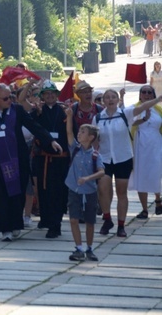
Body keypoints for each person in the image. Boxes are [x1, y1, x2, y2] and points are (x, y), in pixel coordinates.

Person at [0, 84, 62, 241]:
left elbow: (34, 126)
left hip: (18, 160)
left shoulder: (17, 110)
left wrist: (50, 141)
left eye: (11, 97)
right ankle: (4, 228)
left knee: (18, 193)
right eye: (6, 98)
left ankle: (16, 223)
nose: (10, 100)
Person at [94, 88, 162, 237]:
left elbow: (142, 107)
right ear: (103, 101)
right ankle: (107, 218)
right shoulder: (98, 118)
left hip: (123, 158)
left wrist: (157, 100)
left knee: (121, 192)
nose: (110, 100)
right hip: (105, 158)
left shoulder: (125, 113)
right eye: (107, 97)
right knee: (103, 189)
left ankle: (121, 225)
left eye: (113, 97)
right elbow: (94, 138)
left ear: (118, 100)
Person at [29, 81, 70, 239]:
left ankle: (56, 224)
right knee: (44, 191)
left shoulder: (65, 112)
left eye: (52, 93)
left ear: (57, 95)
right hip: (43, 159)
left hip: (61, 160)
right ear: (43, 97)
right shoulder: (38, 112)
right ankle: (46, 220)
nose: (50, 96)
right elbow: (31, 124)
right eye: (46, 94)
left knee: (58, 192)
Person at [64, 107, 104, 262]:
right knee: (73, 219)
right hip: (74, 189)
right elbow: (69, 133)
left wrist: (88, 178)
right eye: (79, 131)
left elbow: (101, 172)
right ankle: (78, 247)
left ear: (91, 137)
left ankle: (89, 248)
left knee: (89, 221)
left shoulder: (95, 155)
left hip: (89, 191)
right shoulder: (75, 149)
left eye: (82, 132)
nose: (78, 134)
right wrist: (69, 117)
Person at [128, 86, 162, 219]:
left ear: (153, 95)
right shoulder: (135, 108)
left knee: (156, 172)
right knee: (140, 174)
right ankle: (144, 209)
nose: (146, 94)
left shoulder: (159, 110)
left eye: (149, 92)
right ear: (140, 95)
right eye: (144, 92)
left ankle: (158, 200)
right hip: (139, 144)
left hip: (156, 143)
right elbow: (130, 122)